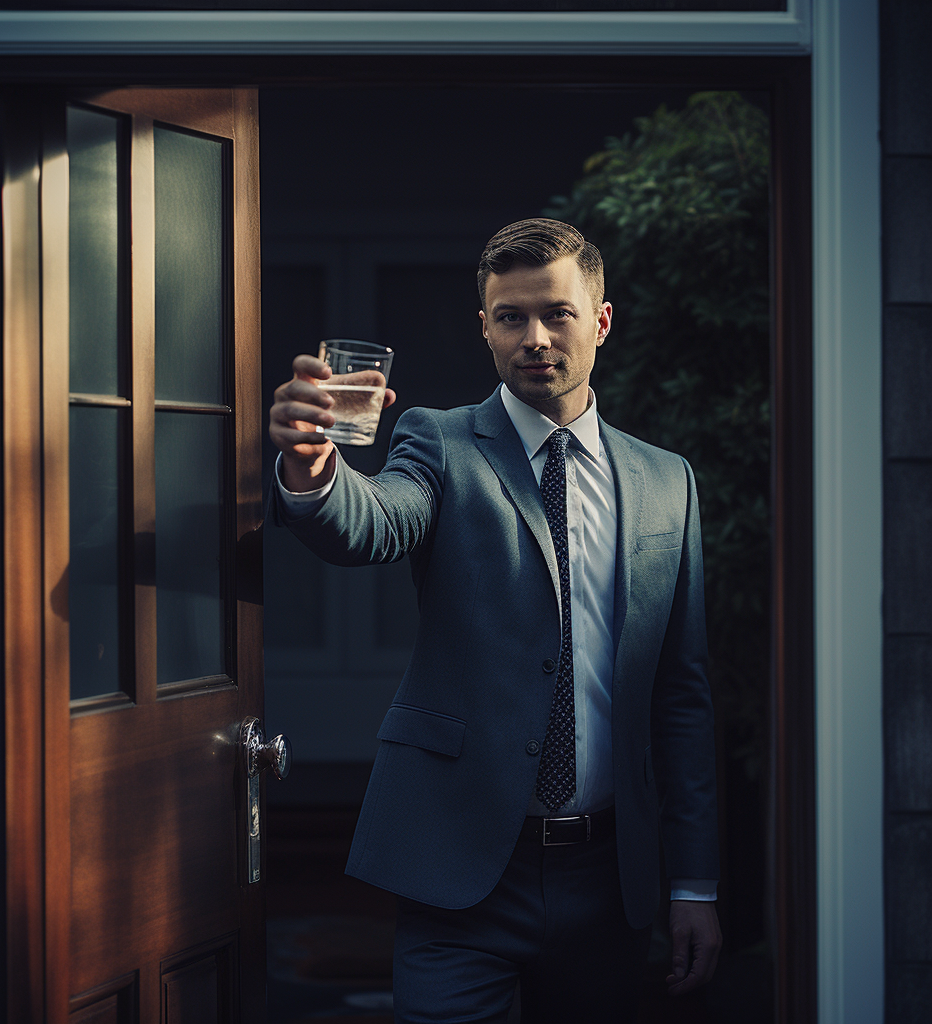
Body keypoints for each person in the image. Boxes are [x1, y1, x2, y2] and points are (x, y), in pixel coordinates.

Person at [268, 218, 722, 1023]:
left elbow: (680, 699)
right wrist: (315, 470)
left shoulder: (668, 483)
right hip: (462, 866)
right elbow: (377, 518)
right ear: (485, 327)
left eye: (557, 313)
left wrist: (693, 884)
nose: (535, 337)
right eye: (510, 316)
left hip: (610, 878)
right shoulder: (439, 443)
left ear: (602, 321)